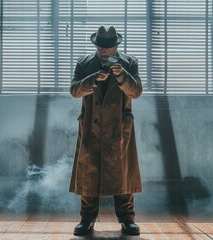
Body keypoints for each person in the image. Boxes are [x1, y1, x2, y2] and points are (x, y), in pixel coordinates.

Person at [69, 25, 143, 236]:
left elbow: (136, 91)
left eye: (108, 47)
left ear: (116, 46)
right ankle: (87, 219)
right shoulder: (84, 64)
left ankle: (127, 219)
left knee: (123, 172)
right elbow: (74, 90)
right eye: (100, 46)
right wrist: (92, 80)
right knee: (88, 171)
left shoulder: (130, 63)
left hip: (119, 127)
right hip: (91, 124)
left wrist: (122, 76)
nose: (104, 51)